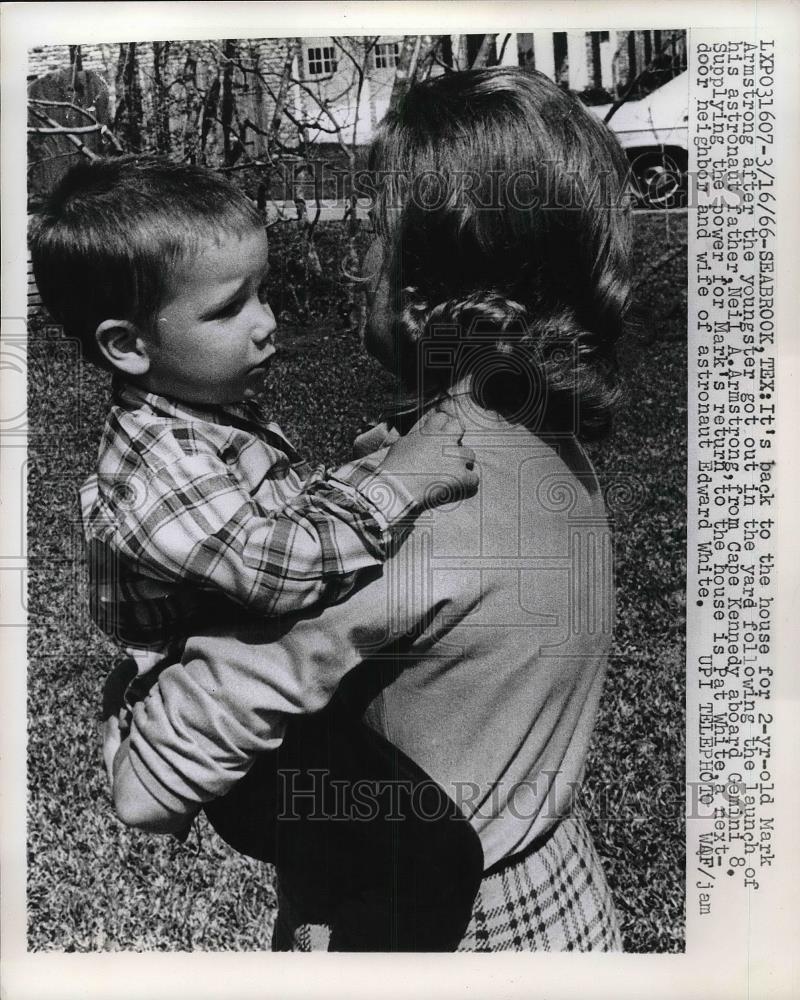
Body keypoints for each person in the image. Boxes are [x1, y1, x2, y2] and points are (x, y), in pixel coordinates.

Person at [110, 66, 633, 951]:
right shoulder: (544, 434)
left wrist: (138, 699)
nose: (358, 263)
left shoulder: (417, 504)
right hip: (560, 891)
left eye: (377, 233)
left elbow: (153, 780)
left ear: (442, 282)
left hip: (421, 925)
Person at [29, 157, 478, 781]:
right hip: (208, 718)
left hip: (245, 675)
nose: (266, 322)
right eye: (227, 309)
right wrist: (392, 486)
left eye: (261, 292)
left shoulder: (202, 417)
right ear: (128, 346)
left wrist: (368, 464)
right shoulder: (160, 469)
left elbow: (277, 507)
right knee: (417, 840)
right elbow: (277, 569)